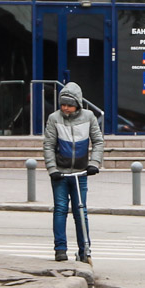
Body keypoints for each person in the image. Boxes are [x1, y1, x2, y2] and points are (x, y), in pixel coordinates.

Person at [42, 82, 104, 264]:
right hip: (61, 173)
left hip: (81, 172)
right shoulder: (54, 118)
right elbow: (49, 145)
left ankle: (85, 250)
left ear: (77, 103)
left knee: (81, 211)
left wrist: (94, 163)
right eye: (63, 105)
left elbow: (98, 141)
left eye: (69, 105)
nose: (66, 108)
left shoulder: (89, 117)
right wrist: (52, 169)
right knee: (60, 209)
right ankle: (60, 249)